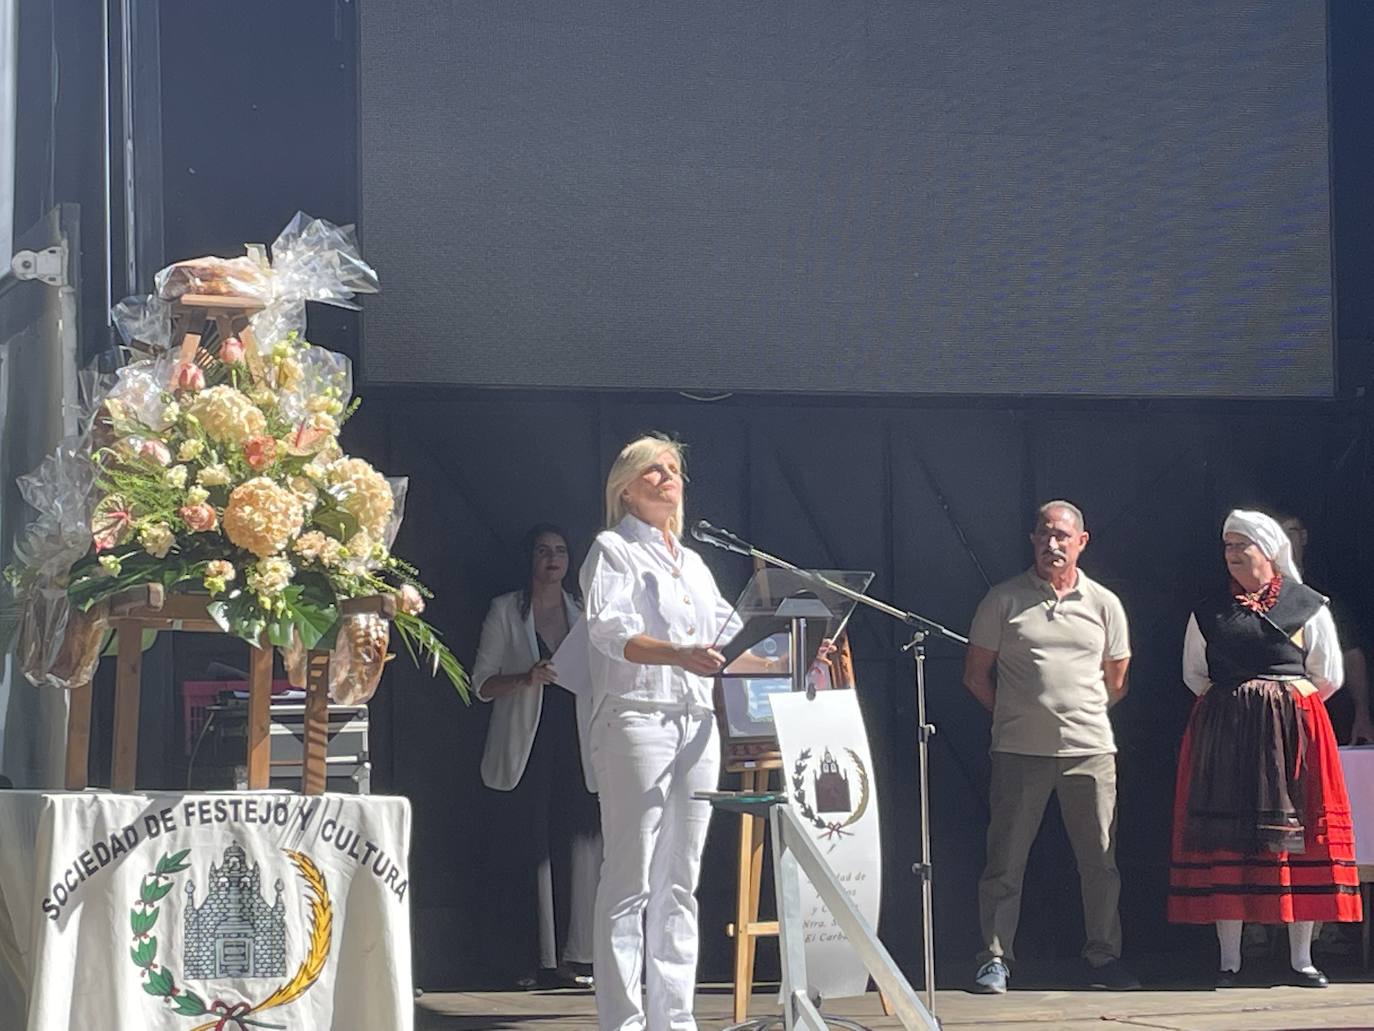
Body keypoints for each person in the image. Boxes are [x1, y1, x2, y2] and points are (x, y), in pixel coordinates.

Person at [579, 433, 736, 1031]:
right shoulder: (612, 550)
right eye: (655, 471)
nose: (669, 479)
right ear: (626, 488)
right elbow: (608, 631)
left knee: (682, 881)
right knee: (630, 875)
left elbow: (731, 632)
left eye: (674, 471)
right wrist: (677, 653)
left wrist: (800, 646)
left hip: (697, 722)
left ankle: (675, 1019)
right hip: (638, 720)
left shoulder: (693, 561)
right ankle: (623, 1019)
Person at [1168, 510, 1361, 988]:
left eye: (1242, 546)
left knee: (1299, 837)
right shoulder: (1209, 610)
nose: (1233, 555)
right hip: (1228, 738)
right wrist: (1237, 705)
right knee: (1228, 837)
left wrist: (1282, 704)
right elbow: (1195, 673)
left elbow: (1328, 674)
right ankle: (1230, 960)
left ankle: (1302, 959)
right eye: (1228, 547)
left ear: (1269, 550)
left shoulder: (1307, 606)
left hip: (1293, 737)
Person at [963, 500, 1138, 993]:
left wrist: (1079, 715)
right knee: (1005, 862)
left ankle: (1103, 959)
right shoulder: (1003, 600)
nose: (1052, 544)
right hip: (1019, 751)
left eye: (1062, 536)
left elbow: (1117, 680)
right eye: (1044, 535)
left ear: (1082, 541)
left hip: (1090, 752)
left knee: (1099, 862)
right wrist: (1016, 715)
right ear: (1033, 540)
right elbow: (976, 676)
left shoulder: (1104, 604)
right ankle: (994, 959)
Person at [474, 523, 600, 990]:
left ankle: (574, 957)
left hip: (576, 743)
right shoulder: (505, 611)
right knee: (528, 850)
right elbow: (482, 684)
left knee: (576, 848)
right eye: (544, 550)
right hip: (525, 745)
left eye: (561, 551)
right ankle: (530, 961)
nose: (553, 558)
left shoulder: (583, 613)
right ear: (529, 558)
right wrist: (527, 677)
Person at [1277, 512, 1374, 745]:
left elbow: (1350, 655)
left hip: (1325, 715)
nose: (1286, 541)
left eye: (1291, 531)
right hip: (1275, 716)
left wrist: (1362, 713)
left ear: (1303, 537)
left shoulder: (1323, 600)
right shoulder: (1254, 602)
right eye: (1279, 534)